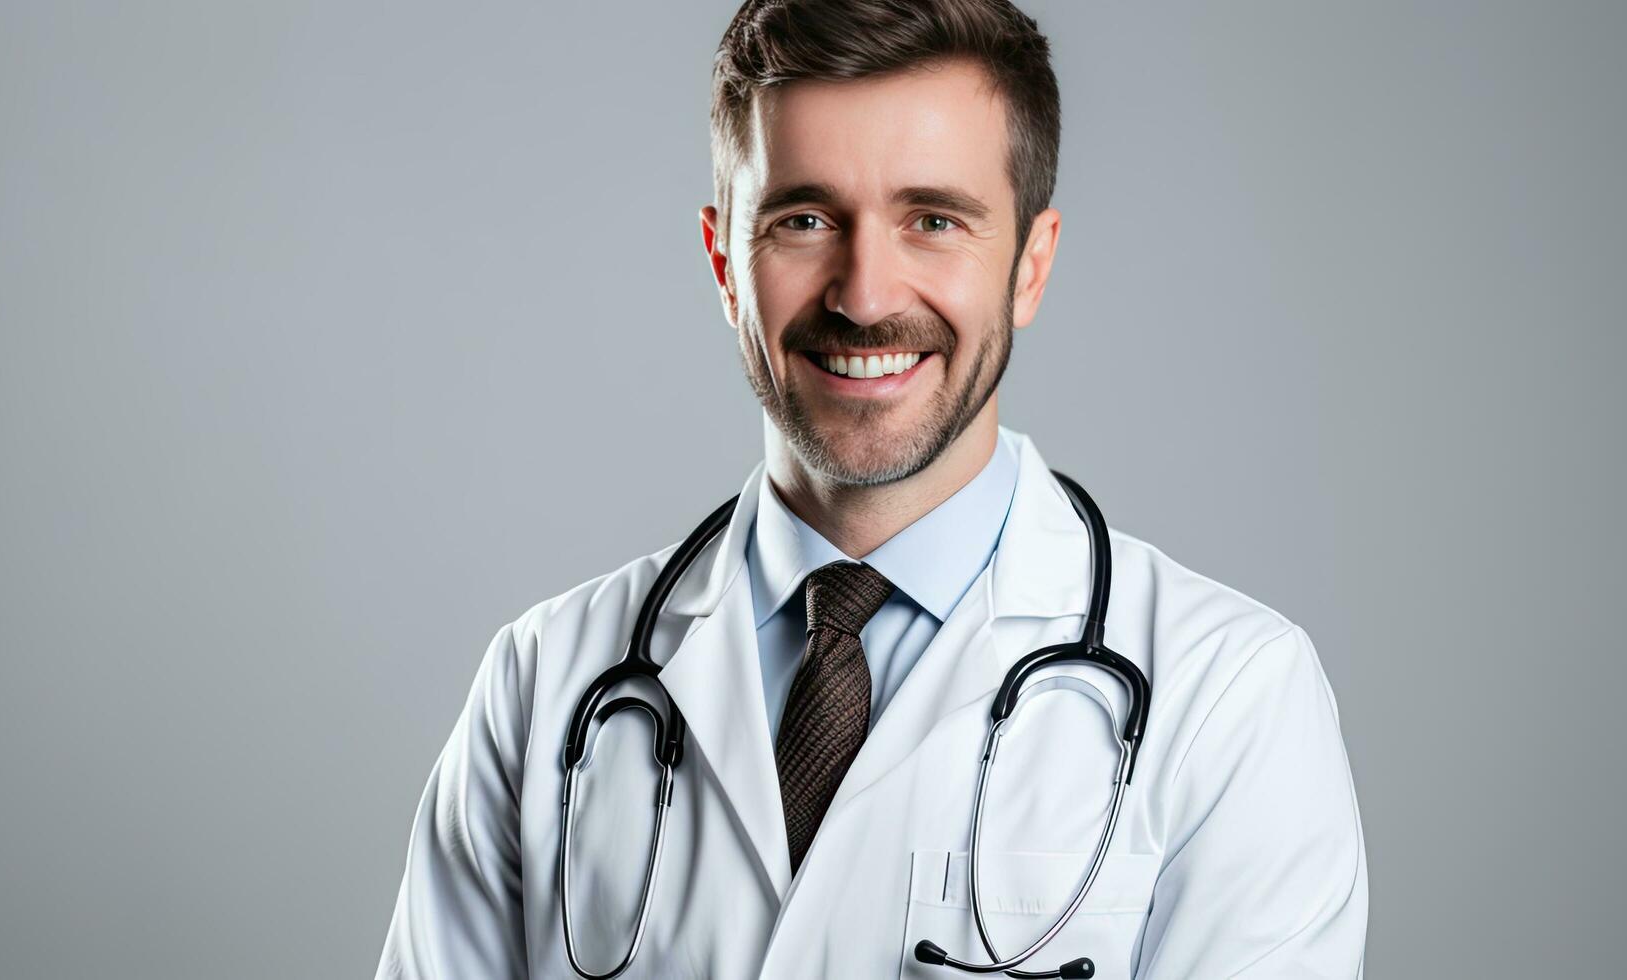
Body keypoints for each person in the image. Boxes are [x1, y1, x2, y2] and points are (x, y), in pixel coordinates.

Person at [375, 1, 1368, 976]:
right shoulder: (543, 681)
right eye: (803, 218)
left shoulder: (1230, 703)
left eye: (932, 219)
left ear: (1029, 263)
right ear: (725, 260)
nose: (864, 295)